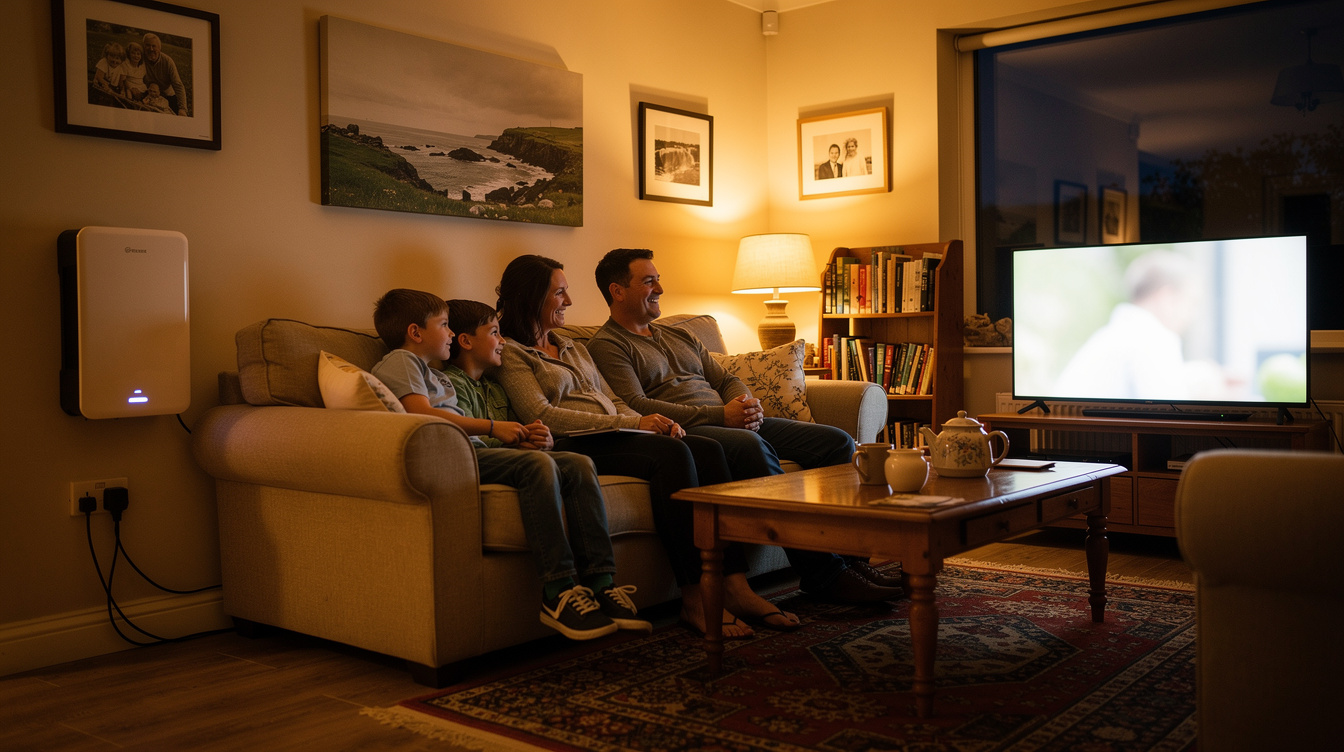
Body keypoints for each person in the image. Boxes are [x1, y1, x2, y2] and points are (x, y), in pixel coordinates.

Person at [493, 255, 801, 638]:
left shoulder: (571, 345)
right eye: (560, 293)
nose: (569, 301)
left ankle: (735, 586)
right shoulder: (511, 352)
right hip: (576, 442)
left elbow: (613, 399)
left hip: (618, 433)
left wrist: (652, 422)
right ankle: (694, 598)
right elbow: (543, 414)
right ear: (532, 297)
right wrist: (632, 423)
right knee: (674, 455)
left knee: (704, 448)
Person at [587, 248, 905, 602]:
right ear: (617, 291)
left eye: (658, 279)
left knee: (837, 442)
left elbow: (725, 378)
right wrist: (721, 416)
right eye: (649, 281)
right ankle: (825, 575)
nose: (659, 288)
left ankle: (851, 560)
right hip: (692, 430)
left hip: (730, 418)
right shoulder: (607, 345)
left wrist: (744, 403)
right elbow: (637, 405)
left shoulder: (678, 335)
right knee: (752, 446)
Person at [369, 288, 646, 641]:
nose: (451, 334)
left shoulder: (434, 373)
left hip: (474, 450)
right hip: (455, 458)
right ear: (415, 332)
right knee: (537, 466)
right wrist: (493, 428)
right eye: (443, 325)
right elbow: (421, 415)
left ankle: (601, 583)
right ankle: (557, 592)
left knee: (577, 464)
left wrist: (518, 438)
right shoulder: (401, 361)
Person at [1053, 251, 1203, 400]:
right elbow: (1170, 410)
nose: (1193, 316)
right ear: (1167, 298)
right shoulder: (1153, 338)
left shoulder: (1112, 337)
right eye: (1191, 303)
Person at [141, 33, 186, 116]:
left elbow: (178, 85)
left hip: (166, 92)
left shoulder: (168, 61)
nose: (151, 49)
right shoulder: (140, 57)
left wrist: (182, 108)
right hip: (148, 92)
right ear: (143, 46)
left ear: (159, 48)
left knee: (175, 113)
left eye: (154, 46)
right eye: (148, 45)